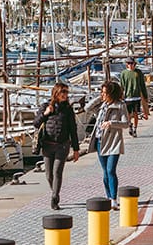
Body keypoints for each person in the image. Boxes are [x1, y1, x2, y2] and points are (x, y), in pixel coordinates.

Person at [32, 82, 80, 210]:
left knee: (57, 172)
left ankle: (54, 198)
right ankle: (55, 192)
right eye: (62, 92)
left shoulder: (68, 110)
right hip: (47, 145)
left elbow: (73, 130)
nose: (65, 95)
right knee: (49, 175)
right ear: (56, 93)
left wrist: (76, 149)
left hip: (62, 146)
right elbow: (36, 123)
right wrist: (46, 113)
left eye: (66, 92)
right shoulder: (46, 106)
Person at [88, 80, 127, 209]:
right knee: (105, 171)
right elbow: (87, 108)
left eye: (105, 93)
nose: (103, 95)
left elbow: (126, 123)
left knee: (111, 170)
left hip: (113, 141)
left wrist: (112, 123)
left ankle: (114, 199)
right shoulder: (102, 104)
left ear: (112, 94)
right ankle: (108, 196)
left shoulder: (120, 105)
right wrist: (99, 98)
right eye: (102, 92)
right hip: (100, 141)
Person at [118, 57, 148, 137]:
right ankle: (130, 125)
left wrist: (145, 96)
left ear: (134, 64)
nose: (130, 65)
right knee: (128, 114)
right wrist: (120, 96)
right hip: (127, 97)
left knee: (135, 113)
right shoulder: (123, 73)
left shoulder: (138, 72)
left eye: (132, 63)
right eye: (129, 63)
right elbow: (122, 85)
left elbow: (142, 85)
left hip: (137, 96)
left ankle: (135, 129)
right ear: (126, 65)